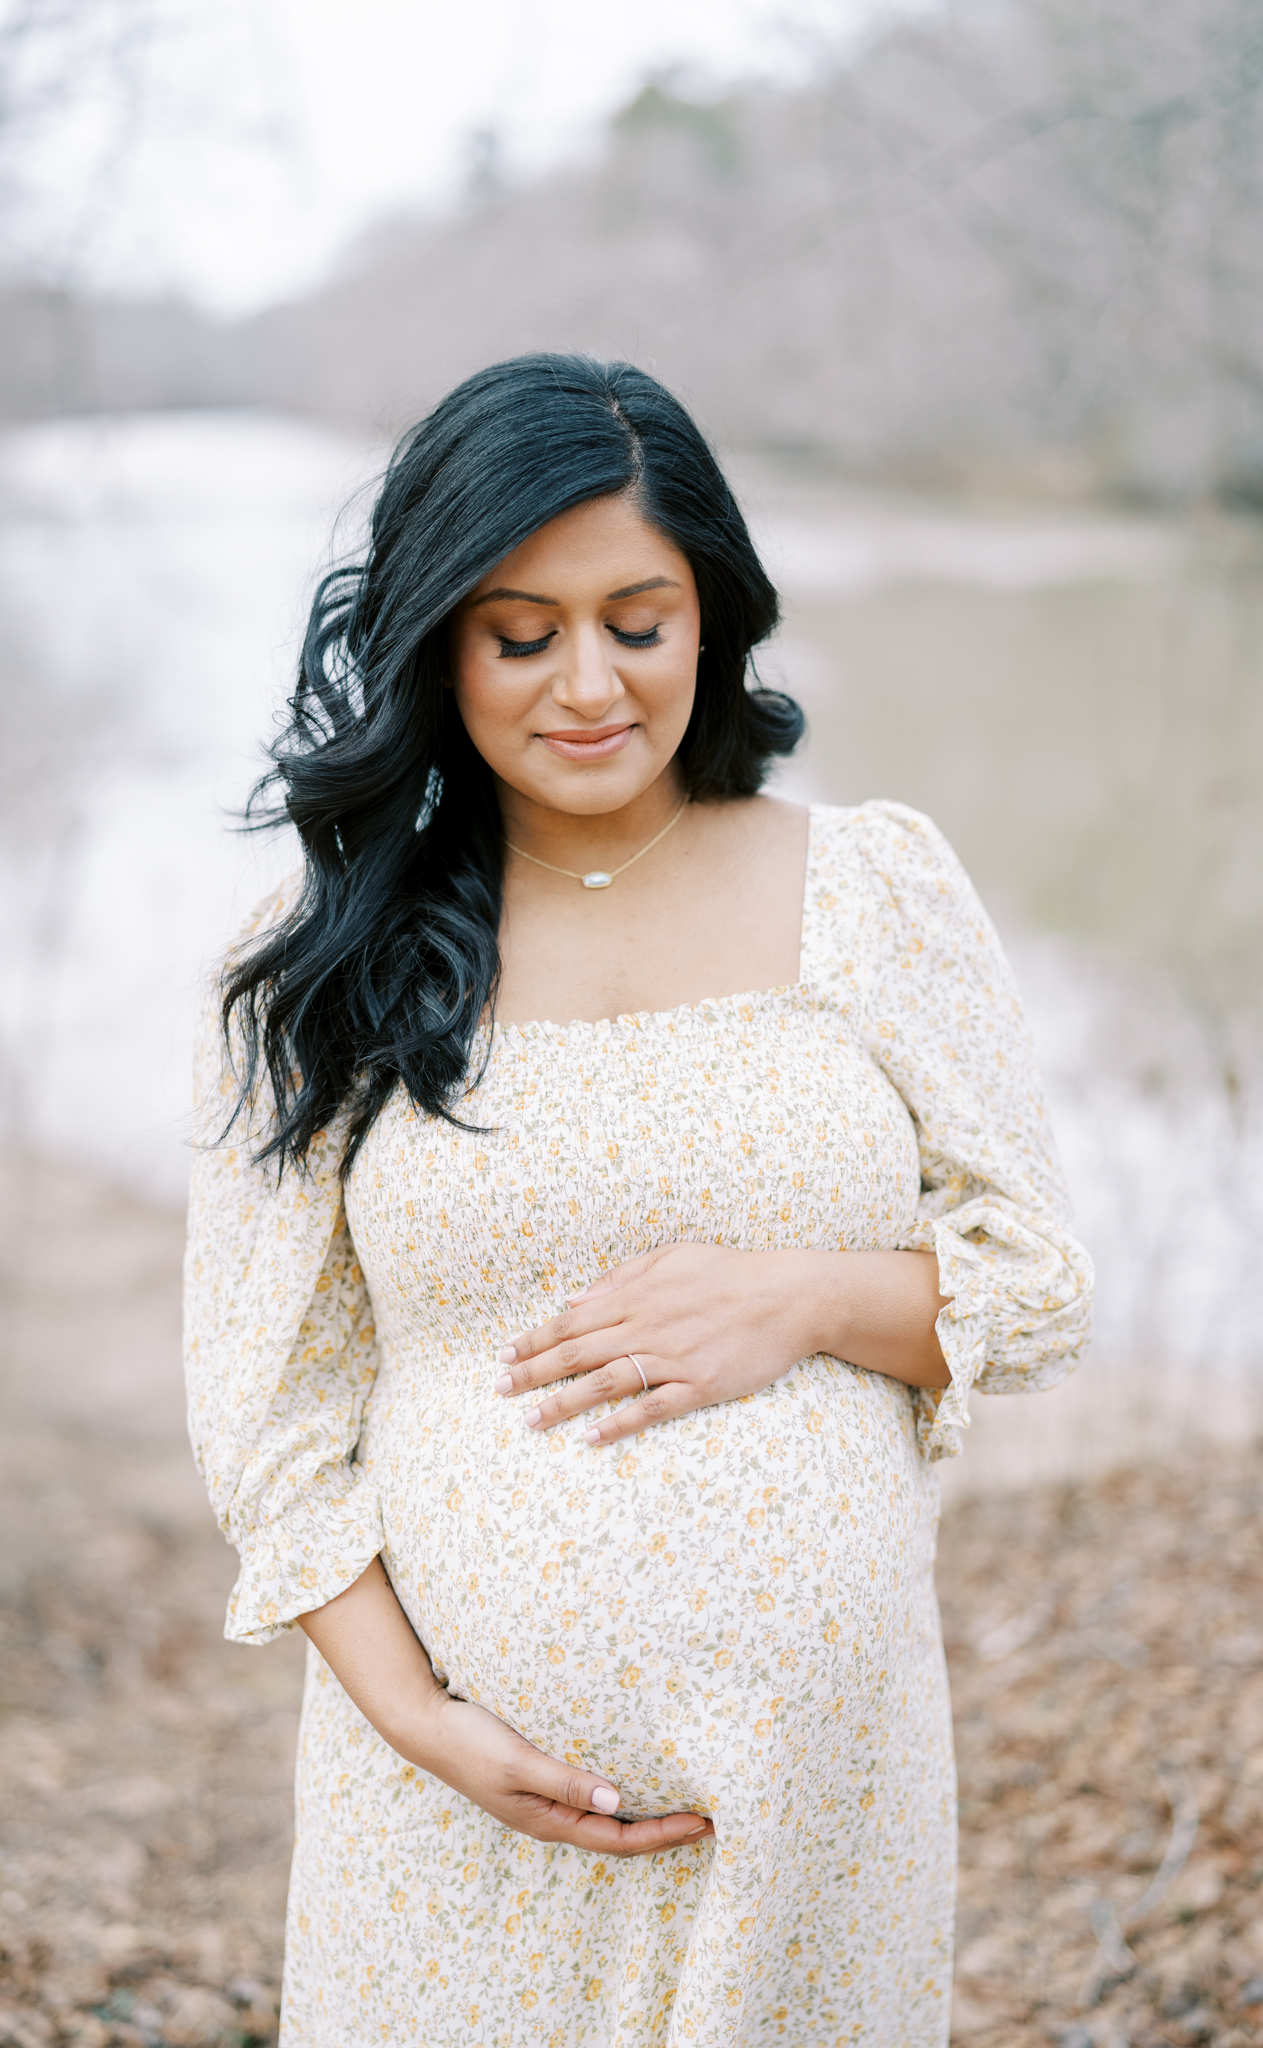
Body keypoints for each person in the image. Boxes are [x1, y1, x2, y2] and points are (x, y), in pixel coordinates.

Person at [184, 354, 1093, 2048]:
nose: (587, 683)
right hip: (447, 1809)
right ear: (435, 643)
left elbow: (1030, 1278)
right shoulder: (319, 964)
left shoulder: (871, 884)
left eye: (639, 619)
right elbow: (270, 1412)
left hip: (815, 1804)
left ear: (715, 619)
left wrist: (809, 1296)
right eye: (519, 633)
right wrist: (420, 1722)